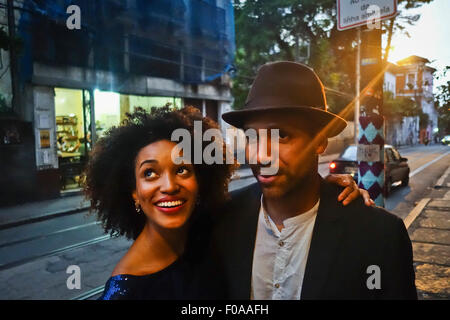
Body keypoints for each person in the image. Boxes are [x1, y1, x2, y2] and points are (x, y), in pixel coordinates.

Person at [84, 105, 372, 300]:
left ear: (201, 180)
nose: (169, 186)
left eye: (182, 169)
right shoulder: (126, 289)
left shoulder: (212, 229)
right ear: (133, 192)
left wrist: (324, 189)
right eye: (150, 173)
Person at [215, 61, 417, 299]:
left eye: (281, 135)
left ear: (320, 141)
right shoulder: (222, 217)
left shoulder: (378, 235)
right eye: (251, 136)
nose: (261, 156)